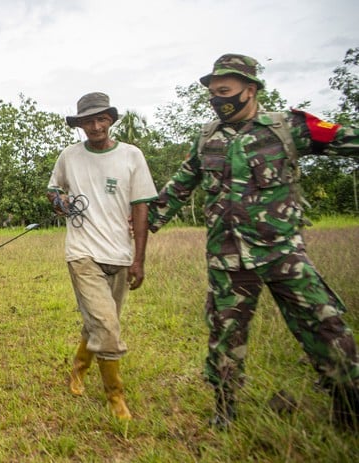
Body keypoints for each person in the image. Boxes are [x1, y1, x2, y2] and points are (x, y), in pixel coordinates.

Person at [148, 53, 359, 430]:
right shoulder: (207, 137)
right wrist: (140, 224)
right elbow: (178, 187)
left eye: (224, 91)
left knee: (324, 325)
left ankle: (347, 402)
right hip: (228, 258)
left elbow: (349, 139)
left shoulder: (289, 128)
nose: (217, 99)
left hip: (284, 254)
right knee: (225, 335)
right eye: (213, 93)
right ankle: (225, 409)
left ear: (250, 89)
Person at [47, 92, 157, 420]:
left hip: (121, 255)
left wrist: (139, 259)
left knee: (98, 322)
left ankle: (78, 369)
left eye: (101, 119)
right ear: (80, 124)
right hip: (82, 253)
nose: (95, 126)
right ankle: (115, 397)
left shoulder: (132, 156)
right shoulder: (69, 156)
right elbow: (54, 190)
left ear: (110, 119)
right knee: (107, 326)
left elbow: (141, 206)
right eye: (88, 121)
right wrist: (61, 202)